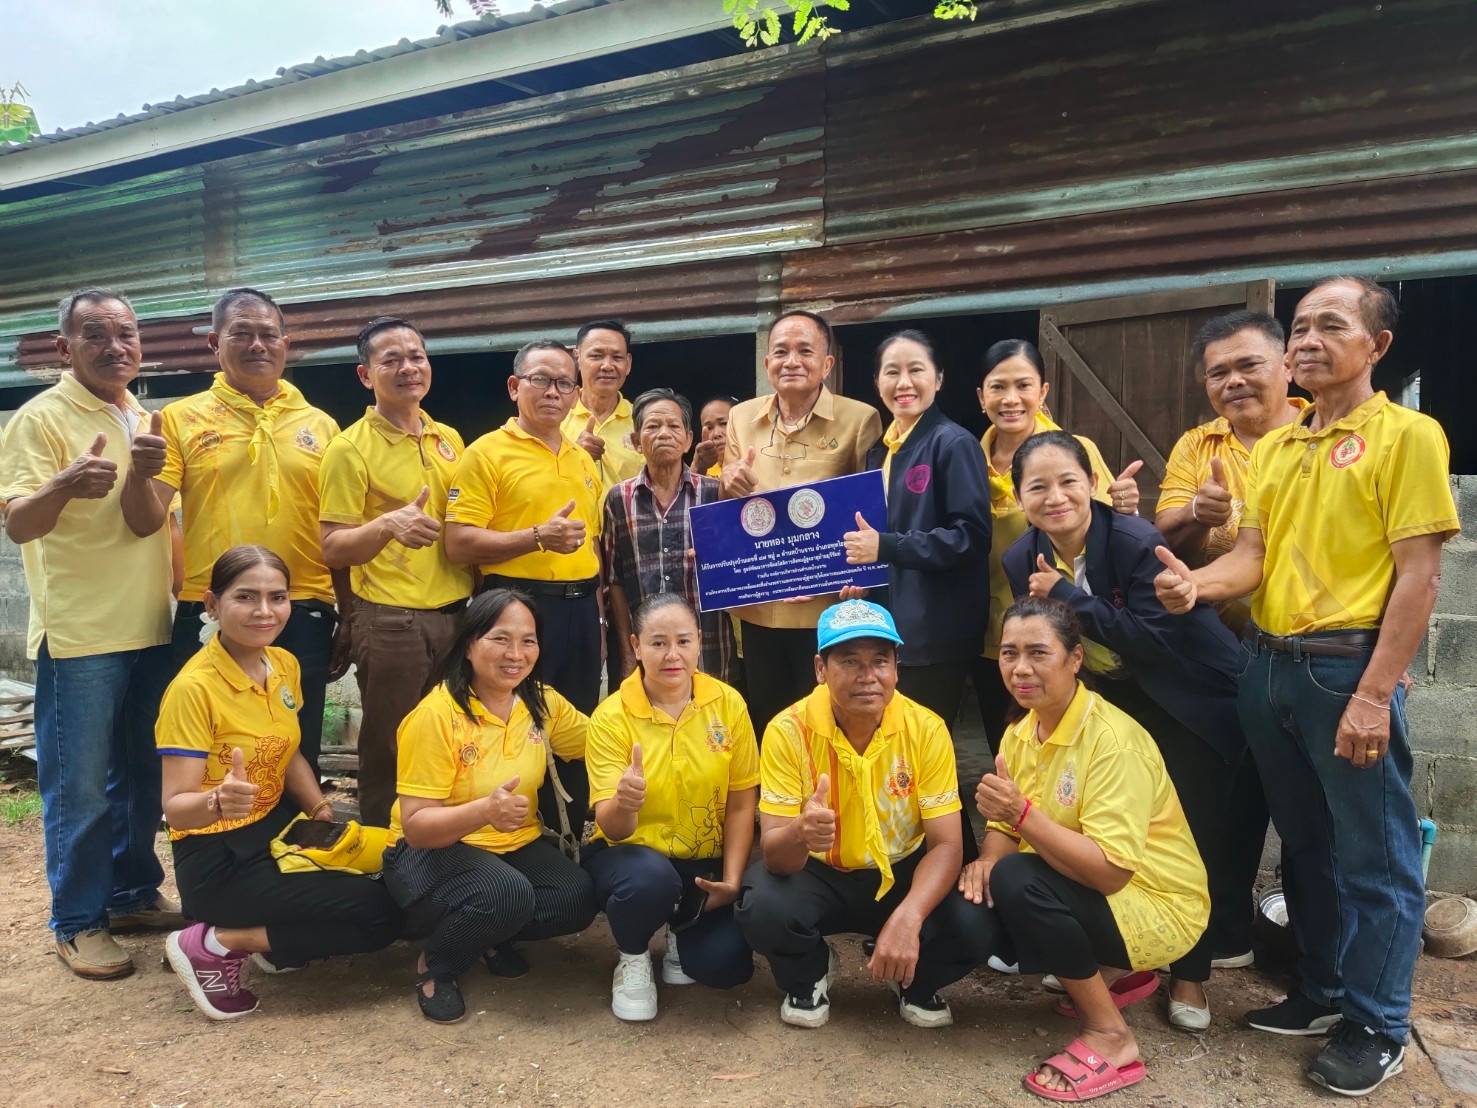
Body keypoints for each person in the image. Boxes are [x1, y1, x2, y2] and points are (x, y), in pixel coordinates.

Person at [1155, 277, 1459, 1096]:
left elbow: (1418, 580)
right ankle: (1322, 992)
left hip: (1342, 669)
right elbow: (1251, 556)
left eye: (1332, 325)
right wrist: (1197, 586)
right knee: (1306, 851)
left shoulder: (1407, 436)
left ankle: (1377, 1023)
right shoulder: (1280, 451)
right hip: (1268, 666)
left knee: (1377, 857)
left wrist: (1373, 692)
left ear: (1376, 346)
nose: (1309, 340)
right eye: (1299, 327)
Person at [1003, 430, 1243, 1030]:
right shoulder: (1019, 558)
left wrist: (1068, 597)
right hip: (1109, 698)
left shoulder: (1135, 540)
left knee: (1191, 827)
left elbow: (1156, 641)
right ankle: (1123, 953)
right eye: (1038, 486)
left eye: (1068, 482)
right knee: (1099, 823)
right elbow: (1041, 644)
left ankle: (1191, 972)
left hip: (1184, 696)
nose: (1055, 497)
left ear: (1092, 484)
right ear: (1019, 497)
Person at [0, 287, 181, 979]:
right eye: (95, 333)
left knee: (137, 777)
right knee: (78, 786)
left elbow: (145, 523)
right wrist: (61, 487)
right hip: (80, 637)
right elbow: (19, 524)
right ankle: (77, 921)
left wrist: (140, 472)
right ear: (64, 347)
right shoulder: (39, 419)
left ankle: (132, 894)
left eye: (126, 333)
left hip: (150, 625)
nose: (115, 346)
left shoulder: (142, 415)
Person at [960, 597, 1208, 1101]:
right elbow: (1003, 831)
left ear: (1075, 659)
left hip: (1161, 906)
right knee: (989, 886)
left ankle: (1111, 1035)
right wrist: (985, 860)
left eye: (1038, 653)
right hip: (1103, 891)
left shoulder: (1112, 741)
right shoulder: (1019, 731)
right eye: (1009, 654)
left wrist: (1021, 817)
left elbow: (1111, 872)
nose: (1020, 669)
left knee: (1018, 882)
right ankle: (1115, 973)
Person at [157, 546, 401, 1022]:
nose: (264, 611)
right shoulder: (193, 689)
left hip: (275, 830)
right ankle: (215, 942)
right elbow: (176, 808)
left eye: (277, 597)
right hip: (216, 858)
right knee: (379, 915)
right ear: (211, 604)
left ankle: (271, 935)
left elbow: (287, 753)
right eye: (246, 597)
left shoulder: (282, 664)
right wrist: (218, 800)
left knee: (392, 871)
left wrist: (318, 809)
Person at [735, 599, 997, 1030]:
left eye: (880, 661)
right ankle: (812, 970)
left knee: (977, 921)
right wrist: (801, 832)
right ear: (820, 668)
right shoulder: (787, 730)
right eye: (849, 661)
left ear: (897, 667)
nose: (868, 676)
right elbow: (776, 856)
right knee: (761, 904)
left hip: (901, 869)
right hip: (819, 873)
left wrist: (910, 916)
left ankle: (914, 979)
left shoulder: (926, 728)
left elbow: (947, 845)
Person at [1154, 310, 1307, 970]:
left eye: (1248, 365)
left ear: (1285, 366)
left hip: (1308, 648)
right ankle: (1228, 924)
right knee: (1224, 791)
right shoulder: (1200, 446)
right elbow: (1165, 532)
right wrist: (1196, 512)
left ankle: (1307, 944)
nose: (1234, 381)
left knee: (1304, 801)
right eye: (1218, 372)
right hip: (1219, 654)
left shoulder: (1320, 435)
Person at [140, 287, 346, 772]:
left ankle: (292, 844)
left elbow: (335, 527)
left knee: (298, 743)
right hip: (212, 607)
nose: (257, 345)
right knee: (211, 745)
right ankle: (216, 843)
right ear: (215, 342)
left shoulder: (321, 425)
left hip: (303, 607)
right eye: (242, 334)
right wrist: (135, 474)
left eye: (268, 335)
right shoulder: (179, 418)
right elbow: (154, 513)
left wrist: (346, 609)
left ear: (285, 344)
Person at [382, 589, 597, 1024]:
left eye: (528, 640)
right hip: (430, 849)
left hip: (512, 844)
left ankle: (486, 933)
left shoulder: (540, 701)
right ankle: (437, 966)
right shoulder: (436, 716)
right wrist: (484, 811)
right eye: (500, 639)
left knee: (576, 899)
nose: (516, 654)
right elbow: (418, 827)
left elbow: (599, 742)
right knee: (506, 893)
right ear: (468, 644)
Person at [318, 317, 475, 827]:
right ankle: (383, 853)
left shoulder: (448, 437)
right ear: (366, 375)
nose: (408, 367)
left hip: (456, 615)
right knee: (391, 742)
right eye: (392, 360)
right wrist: (387, 524)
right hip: (391, 621)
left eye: (417, 356)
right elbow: (334, 547)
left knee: (448, 737)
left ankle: (440, 845)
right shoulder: (349, 448)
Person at [445, 339, 604, 833]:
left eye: (564, 383)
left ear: (576, 395)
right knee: (518, 722)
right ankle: (516, 835)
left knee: (575, 724)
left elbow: (591, 545)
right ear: (515, 387)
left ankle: (575, 834)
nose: (553, 392)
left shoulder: (582, 459)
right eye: (541, 380)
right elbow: (457, 543)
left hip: (581, 608)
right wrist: (537, 538)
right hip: (518, 606)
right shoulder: (485, 454)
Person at [585, 594, 758, 1020]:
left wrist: (733, 880)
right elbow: (614, 827)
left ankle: (682, 932)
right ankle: (634, 955)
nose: (672, 655)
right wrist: (626, 803)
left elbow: (740, 804)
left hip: (702, 862)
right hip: (632, 859)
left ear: (700, 641)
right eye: (658, 643)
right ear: (635, 645)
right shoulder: (611, 717)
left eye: (683, 640)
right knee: (650, 880)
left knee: (727, 966)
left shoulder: (728, 703)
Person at [721, 310, 883, 735]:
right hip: (758, 603)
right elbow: (729, 508)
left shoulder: (859, 419)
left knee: (826, 721)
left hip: (824, 605)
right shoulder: (741, 418)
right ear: (767, 363)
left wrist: (858, 575)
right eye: (781, 351)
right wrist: (727, 483)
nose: (791, 360)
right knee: (770, 721)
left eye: (805, 351)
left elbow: (868, 510)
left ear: (827, 364)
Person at [975, 339, 1139, 748]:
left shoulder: (1074, 452)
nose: (1011, 399)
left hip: (1068, 633)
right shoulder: (967, 461)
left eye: (1023, 385)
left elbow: (1103, 529)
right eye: (998, 387)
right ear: (981, 396)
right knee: (1015, 744)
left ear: (1043, 392)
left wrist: (1127, 510)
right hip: (991, 634)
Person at [843, 329, 991, 726]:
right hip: (889, 629)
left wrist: (885, 548)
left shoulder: (953, 443)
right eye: (891, 372)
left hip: (935, 633)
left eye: (916, 370)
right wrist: (863, 578)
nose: (903, 383)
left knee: (924, 746)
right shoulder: (880, 451)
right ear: (877, 383)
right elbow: (878, 537)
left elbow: (970, 537)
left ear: (938, 379)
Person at [602, 388, 737, 687]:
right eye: (652, 426)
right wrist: (626, 650)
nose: (664, 433)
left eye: (674, 426)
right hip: (646, 649)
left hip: (708, 643)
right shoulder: (618, 499)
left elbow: (739, 567)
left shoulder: (714, 493)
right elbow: (615, 581)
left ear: (689, 439)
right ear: (636, 442)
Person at [561, 319, 644, 487]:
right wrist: (575, 457)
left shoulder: (643, 422)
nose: (607, 366)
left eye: (617, 357)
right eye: (596, 356)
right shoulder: (555, 418)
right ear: (576, 358)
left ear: (628, 364)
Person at [693, 395, 736, 478]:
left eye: (724, 423)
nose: (716, 434)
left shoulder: (759, 464)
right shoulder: (702, 474)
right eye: (709, 428)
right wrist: (697, 468)